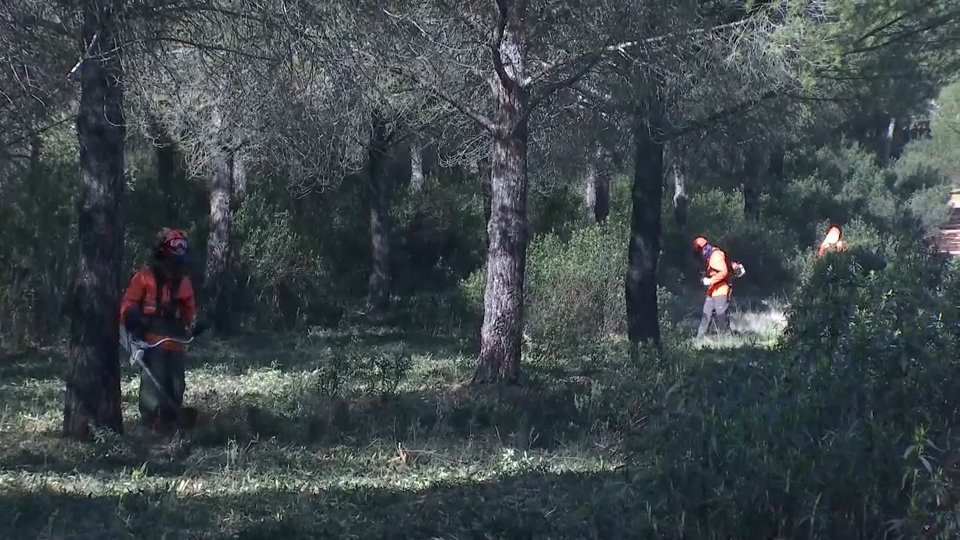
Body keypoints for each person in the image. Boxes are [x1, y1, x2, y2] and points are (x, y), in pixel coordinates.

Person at [119, 228, 197, 430]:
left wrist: (195, 326)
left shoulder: (184, 283)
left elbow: (190, 313)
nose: (174, 269)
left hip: (177, 341)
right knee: (154, 383)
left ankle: (172, 421)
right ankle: (149, 422)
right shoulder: (144, 278)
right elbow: (127, 305)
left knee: (176, 384)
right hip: (151, 340)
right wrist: (133, 317)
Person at [693, 236, 731, 338]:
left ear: (703, 249)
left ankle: (727, 339)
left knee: (721, 315)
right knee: (706, 314)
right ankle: (699, 339)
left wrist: (710, 280)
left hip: (721, 289)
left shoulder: (716, 255)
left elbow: (724, 272)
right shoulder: (709, 257)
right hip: (712, 290)